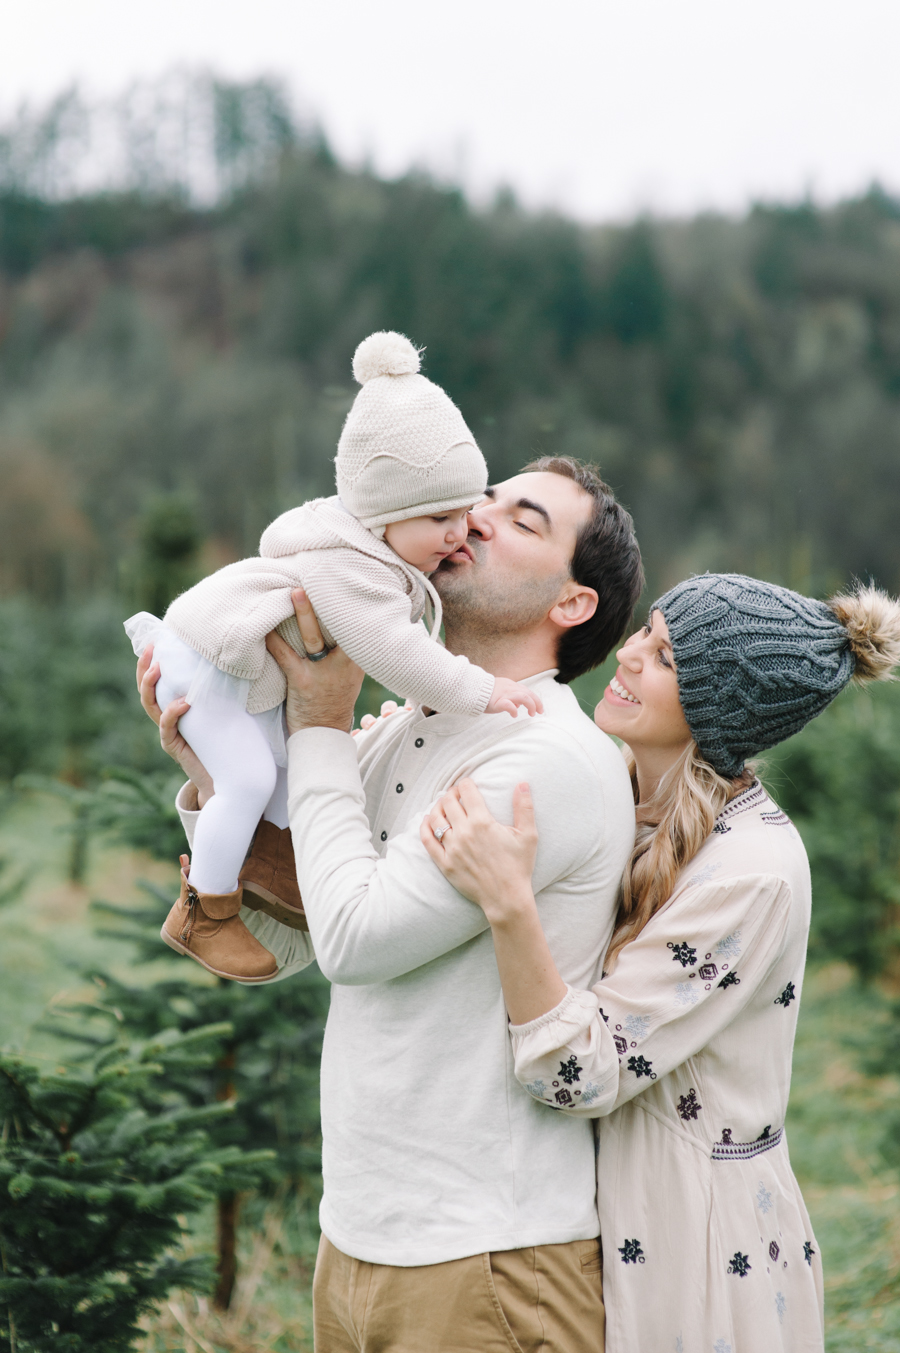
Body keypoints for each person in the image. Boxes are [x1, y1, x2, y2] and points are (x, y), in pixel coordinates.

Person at [140, 456, 645, 1351]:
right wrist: (212, 768)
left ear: (574, 604)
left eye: (524, 520)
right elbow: (290, 925)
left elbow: (356, 940)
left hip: (487, 1259)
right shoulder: (416, 721)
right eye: (483, 499)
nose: (476, 518)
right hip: (360, 1239)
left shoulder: (546, 761)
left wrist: (323, 725)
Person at [421, 572, 900, 1353]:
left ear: (720, 709)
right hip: (605, 1220)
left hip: (696, 1249)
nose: (630, 654)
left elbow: (583, 1068)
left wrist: (508, 900)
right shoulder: (616, 797)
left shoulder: (752, 870)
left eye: (668, 657)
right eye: (647, 631)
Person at [125, 331, 540, 983]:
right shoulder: (353, 571)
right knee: (250, 780)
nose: (465, 532)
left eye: (468, 513)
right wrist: (482, 690)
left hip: (229, 671)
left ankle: (255, 876)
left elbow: (324, 928)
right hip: (212, 665)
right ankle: (206, 910)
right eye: (442, 518)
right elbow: (396, 649)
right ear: (383, 514)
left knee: (270, 775)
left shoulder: (365, 550)